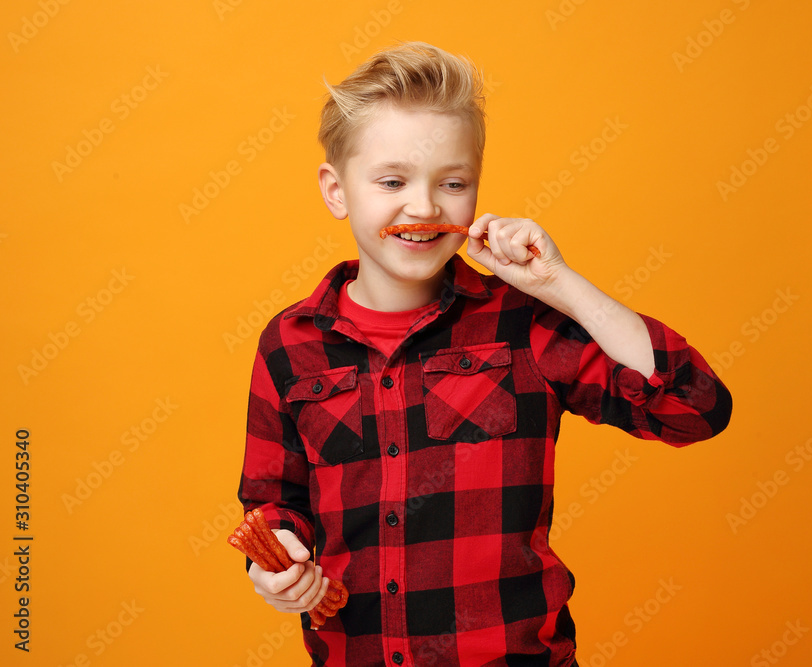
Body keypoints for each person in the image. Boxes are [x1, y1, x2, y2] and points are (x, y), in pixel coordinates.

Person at [237, 41, 732, 667]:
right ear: (337, 191)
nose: (423, 207)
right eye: (392, 181)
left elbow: (694, 407)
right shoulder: (289, 343)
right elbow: (275, 500)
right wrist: (279, 559)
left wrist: (561, 284)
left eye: (452, 183)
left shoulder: (524, 325)